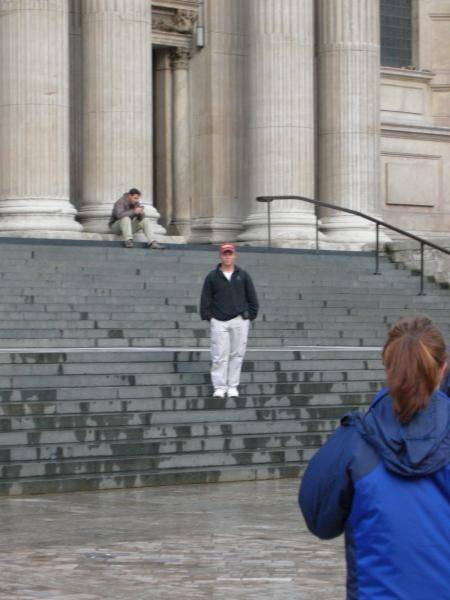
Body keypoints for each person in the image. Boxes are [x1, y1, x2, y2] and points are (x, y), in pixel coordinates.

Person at [299, 315, 450, 600]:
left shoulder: (353, 442)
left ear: (387, 366)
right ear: (443, 369)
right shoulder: (355, 440)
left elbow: (320, 521)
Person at [200, 243, 259, 399]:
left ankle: (232, 386)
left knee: (237, 354)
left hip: (239, 319)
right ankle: (219, 387)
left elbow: (252, 297)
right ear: (220, 256)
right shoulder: (212, 276)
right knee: (219, 355)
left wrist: (250, 315)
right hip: (219, 320)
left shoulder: (243, 275)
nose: (227, 256)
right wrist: (209, 317)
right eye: (225, 254)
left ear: (234, 255)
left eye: (230, 253)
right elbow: (205, 298)